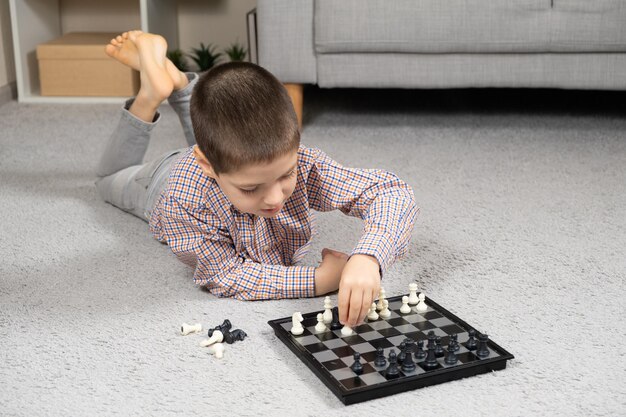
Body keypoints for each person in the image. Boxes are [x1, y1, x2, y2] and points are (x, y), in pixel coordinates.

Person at [95, 31, 419, 327]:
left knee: (226, 144)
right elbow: (226, 274)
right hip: (160, 181)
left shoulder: (301, 161)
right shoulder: (183, 201)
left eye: (285, 175)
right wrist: (319, 280)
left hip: (224, 161)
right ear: (207, 166)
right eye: (251, 188)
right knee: (106, 180)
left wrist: (369, 257)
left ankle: (181, 87)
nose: (276, 198)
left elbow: (390, 191)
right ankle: (149, 96)